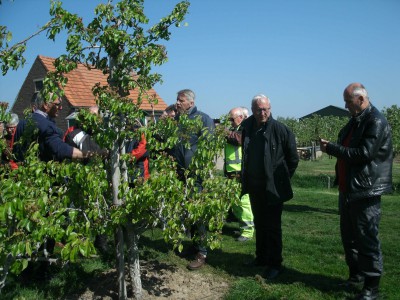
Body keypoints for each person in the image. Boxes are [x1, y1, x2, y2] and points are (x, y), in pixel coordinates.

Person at [320, 83, 393, 300]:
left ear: (360, 99)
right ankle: (356, 276)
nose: (345, 105)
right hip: (349, 189)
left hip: (366, 190)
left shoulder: (375, 121)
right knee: (349, 238)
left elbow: (363, 154)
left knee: (367, 239)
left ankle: (372, 287)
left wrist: (332, 148)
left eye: (348, 101)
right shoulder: (356, 120)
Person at [241, 94, 299, 280]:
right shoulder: (247, 127)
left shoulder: (280, 130)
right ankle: (261, 257)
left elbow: (293, 159)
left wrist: (281, 179)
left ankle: (275, 264)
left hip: (273, 188)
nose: (263, 112)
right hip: (255, 186)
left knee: (273, 227)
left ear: (270, 108)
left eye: (266, 109)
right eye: (259, 109)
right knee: (260, 223)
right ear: (253, 110)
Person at [171, 89, 215, 270]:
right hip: (181, 175)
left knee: (199, 214)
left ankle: (202, 253)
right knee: (188, 212)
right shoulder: (177, 119)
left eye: (180, 100)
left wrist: (199, 168)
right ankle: (194, 244)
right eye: (177, 100)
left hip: (197, 175)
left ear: (190, 102)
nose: (177, 103)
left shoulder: (203, 119)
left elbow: (209, 145)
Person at [14, 91, 89, 162]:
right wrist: (88, 154)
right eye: (57, 104)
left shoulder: (22, 123)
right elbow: (60, 149)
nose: (60, 108)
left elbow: (16, 151)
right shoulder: (47, 126)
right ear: (46, 105)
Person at [224, 107, 254, 242]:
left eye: (232, 119)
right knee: (234, 202)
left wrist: (224, 132)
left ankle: (248, 232)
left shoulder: (246, 129)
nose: (230, 121)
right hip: (231, 172)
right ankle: (243, 227)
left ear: (241, 117)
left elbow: (238, 140)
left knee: (243, 203)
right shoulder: (235, 130)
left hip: (240, 173)